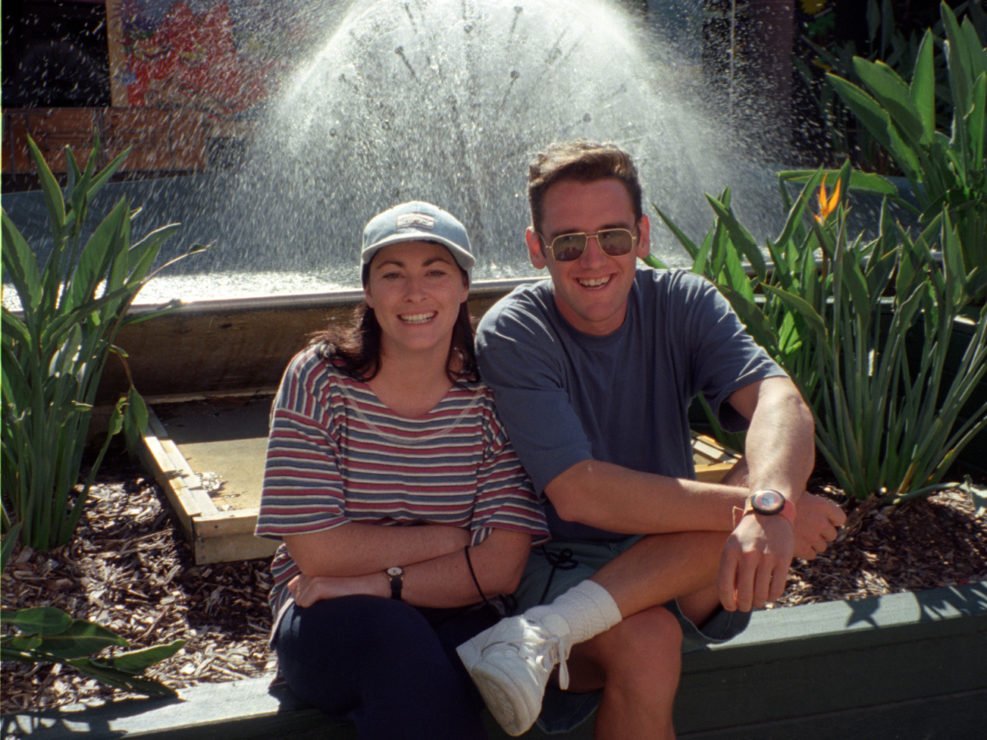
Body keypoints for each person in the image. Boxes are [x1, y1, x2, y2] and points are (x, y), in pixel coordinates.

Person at [456, 141, 847, 738]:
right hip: (562, 559)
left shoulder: (683, 299)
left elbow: (779, 399)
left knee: (760, 471)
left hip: (677, 542)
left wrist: (771, 502)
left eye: (612, 237)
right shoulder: (515, 331)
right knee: (650, 641)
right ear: (537, 250)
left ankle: (542, 637)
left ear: (641, 236)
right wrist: (775, 511)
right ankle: (546, 626)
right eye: (568, 243)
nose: (594, 260)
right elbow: (580, 494)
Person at [255, 201, 548, 740]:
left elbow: (502, 567)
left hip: (454, 607)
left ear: (464, 287)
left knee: (431, 661)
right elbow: (318, 553)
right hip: (327, 616)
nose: (415, 293)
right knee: (397, 641)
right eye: (393, 274)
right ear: (368, 291)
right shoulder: (320, 379)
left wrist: (375, 580)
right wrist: (456, 538)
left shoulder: (494, 391)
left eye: (435, 272)